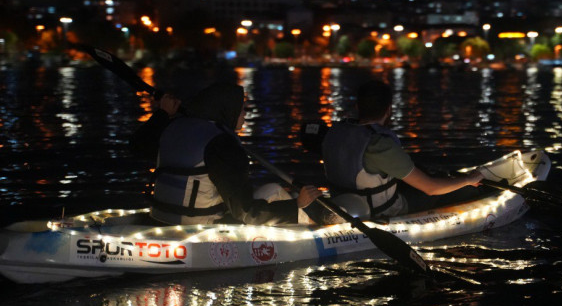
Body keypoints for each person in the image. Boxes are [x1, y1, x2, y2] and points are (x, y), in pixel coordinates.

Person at [130, 82, 321, 225]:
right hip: (200, 230)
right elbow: (246, 212)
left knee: (271, 189)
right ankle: (314, 221)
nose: (245, 114)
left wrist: (162, 113)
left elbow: (137, 146)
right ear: (227, 110)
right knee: (279, 197)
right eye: (242, 108)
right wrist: (296, 205)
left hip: (159, 218)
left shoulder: (172, 127)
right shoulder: (223, 144)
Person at [321, 80, 483, 220]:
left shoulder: (334, 133)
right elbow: (431, 188)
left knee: (416, 180)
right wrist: (468, 180)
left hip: (343, 204)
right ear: (388, 110)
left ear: (357, 107)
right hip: (380, 212)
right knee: (452, 189)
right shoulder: (380, 144)